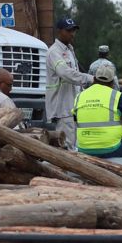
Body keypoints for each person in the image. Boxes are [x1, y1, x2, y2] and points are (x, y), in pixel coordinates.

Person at [45, 17, 94, 150]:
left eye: (73, 30)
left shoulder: (69, 50)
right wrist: (90, 78)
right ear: (59, 31)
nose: (72, 34)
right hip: (62, 106)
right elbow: (65, 73)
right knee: (66, 145)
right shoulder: (54, 52)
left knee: (72, 143)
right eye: (69, 31)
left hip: (71, 105)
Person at [72, 64, 122, 158]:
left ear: (94, 79)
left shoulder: (79, 96)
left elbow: (75, 121)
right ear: (112, 82)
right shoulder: (117, 96)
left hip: (84, 149)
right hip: (111, 148)